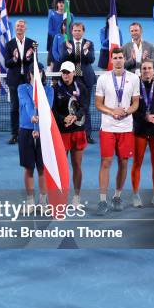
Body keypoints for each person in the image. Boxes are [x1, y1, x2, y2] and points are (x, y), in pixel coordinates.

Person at [94, 48, 140, 215]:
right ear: (111, 60)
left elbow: (136, 103)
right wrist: (112, 111)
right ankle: (102, 200)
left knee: (124, 162)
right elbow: (98, 103)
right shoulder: (103, 79)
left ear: (125, 59)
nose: (118, 60)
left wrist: (126, 112)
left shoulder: (134, 78)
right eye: (115, 58)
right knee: (106, 162)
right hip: (107, 127)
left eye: (121, 57)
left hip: (126, 128)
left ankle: (117, 196)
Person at [130, 60, 154, 208]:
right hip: (140, 131)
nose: (146, 71)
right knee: (137, 164)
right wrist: (145, 117)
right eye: (144, 68)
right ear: (140, 71)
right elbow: (132, 109)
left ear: (153, 70)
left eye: (149, 68)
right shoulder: (134, 88)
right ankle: (135, 195)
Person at [18, 63, 54, 211]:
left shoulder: (49, 90)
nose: (36, 73)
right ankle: (30, 200)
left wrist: (38, 128)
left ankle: (43, 200)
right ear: (29, 73)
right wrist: (32, 117)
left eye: (38, 71)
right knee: (28, 168)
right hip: (26, 130)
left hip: (44, 132)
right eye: (33, 71)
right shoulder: (22, 88)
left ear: (42, 73)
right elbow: (26, 102)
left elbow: (48, 107)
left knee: (42, 168)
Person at [52, 61, 88, 206]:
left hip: (78, 130)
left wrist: (75, 116)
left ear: (74, 72)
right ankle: (61, 196)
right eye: (63, 72)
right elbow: (53, 110)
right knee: (62, 166)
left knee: (77, 165)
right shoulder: (55, 89)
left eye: (68, 72)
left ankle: (76, 197)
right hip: (63, 131)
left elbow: (85, 106)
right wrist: (63, 119)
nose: (65, 75)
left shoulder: (82, 87)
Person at [59, 22, 96, 144]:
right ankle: (72, 130)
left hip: (86, 79)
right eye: (75, 30)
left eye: (79, 30)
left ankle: (87, 134)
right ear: (71, 32)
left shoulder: (89, 44)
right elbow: (62, 59)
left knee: (85, 107)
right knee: (71, 106)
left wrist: (85, 51)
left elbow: (91, 59)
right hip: (72, 80)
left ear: (83, 31)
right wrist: (69, 50)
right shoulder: (66, 44)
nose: (77, 32)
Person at [5, 19, 36, 144]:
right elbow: (7, 63)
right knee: (15, 107)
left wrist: (30, 57)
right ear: (15, 28)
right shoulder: (9, 44)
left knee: (29, 106)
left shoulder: (33, 43)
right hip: (14, 80)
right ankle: (14, 134)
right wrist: (14, 58)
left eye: (22, 26)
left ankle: (30, 131)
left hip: (28, 81)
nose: (19, 28)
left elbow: (35, 64)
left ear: (25, 29)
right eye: (18, 26)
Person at [47, 0, 65, 66]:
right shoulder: (52, 15)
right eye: (59, 2)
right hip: (54, 37)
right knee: (52, 54)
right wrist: (58, 37)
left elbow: (71, 28)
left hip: (65, 37)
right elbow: (50, 29)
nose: (61, 4)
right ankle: (50, 66)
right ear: (57, 4)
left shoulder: (69, 15)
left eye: (63, 2)